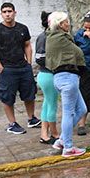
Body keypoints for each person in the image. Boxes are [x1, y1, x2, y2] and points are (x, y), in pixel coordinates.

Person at [0, 2, 40, 134]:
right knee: (7, 97)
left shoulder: (22, 28)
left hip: (23, 68)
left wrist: (28, 63)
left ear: (14, 12)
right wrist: (0, 67)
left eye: (9, 11)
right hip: (7, 69)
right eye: (4, 12)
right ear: (1, 14)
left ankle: (31, 119)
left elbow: (27, 45)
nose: (7, 14)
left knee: (29, 94)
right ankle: (12, 124)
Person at [46, 12, 87, 158]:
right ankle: (68, 147)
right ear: (60, 24)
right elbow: (78, 52)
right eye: (65, 22)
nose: (68, 24)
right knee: (68, 114)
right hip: (67, 77)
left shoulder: (53, 37)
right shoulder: (60, 39)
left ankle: (62, 140)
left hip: (61, 78)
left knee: (82, 109)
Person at [35, 10, 59, 144]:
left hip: (48, 74)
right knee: (52, 105)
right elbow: (39, 58)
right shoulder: (44, 37)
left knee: (47, 104)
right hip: (48, 75)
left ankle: (44, 134)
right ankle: (55, 133)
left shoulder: (53, 36)